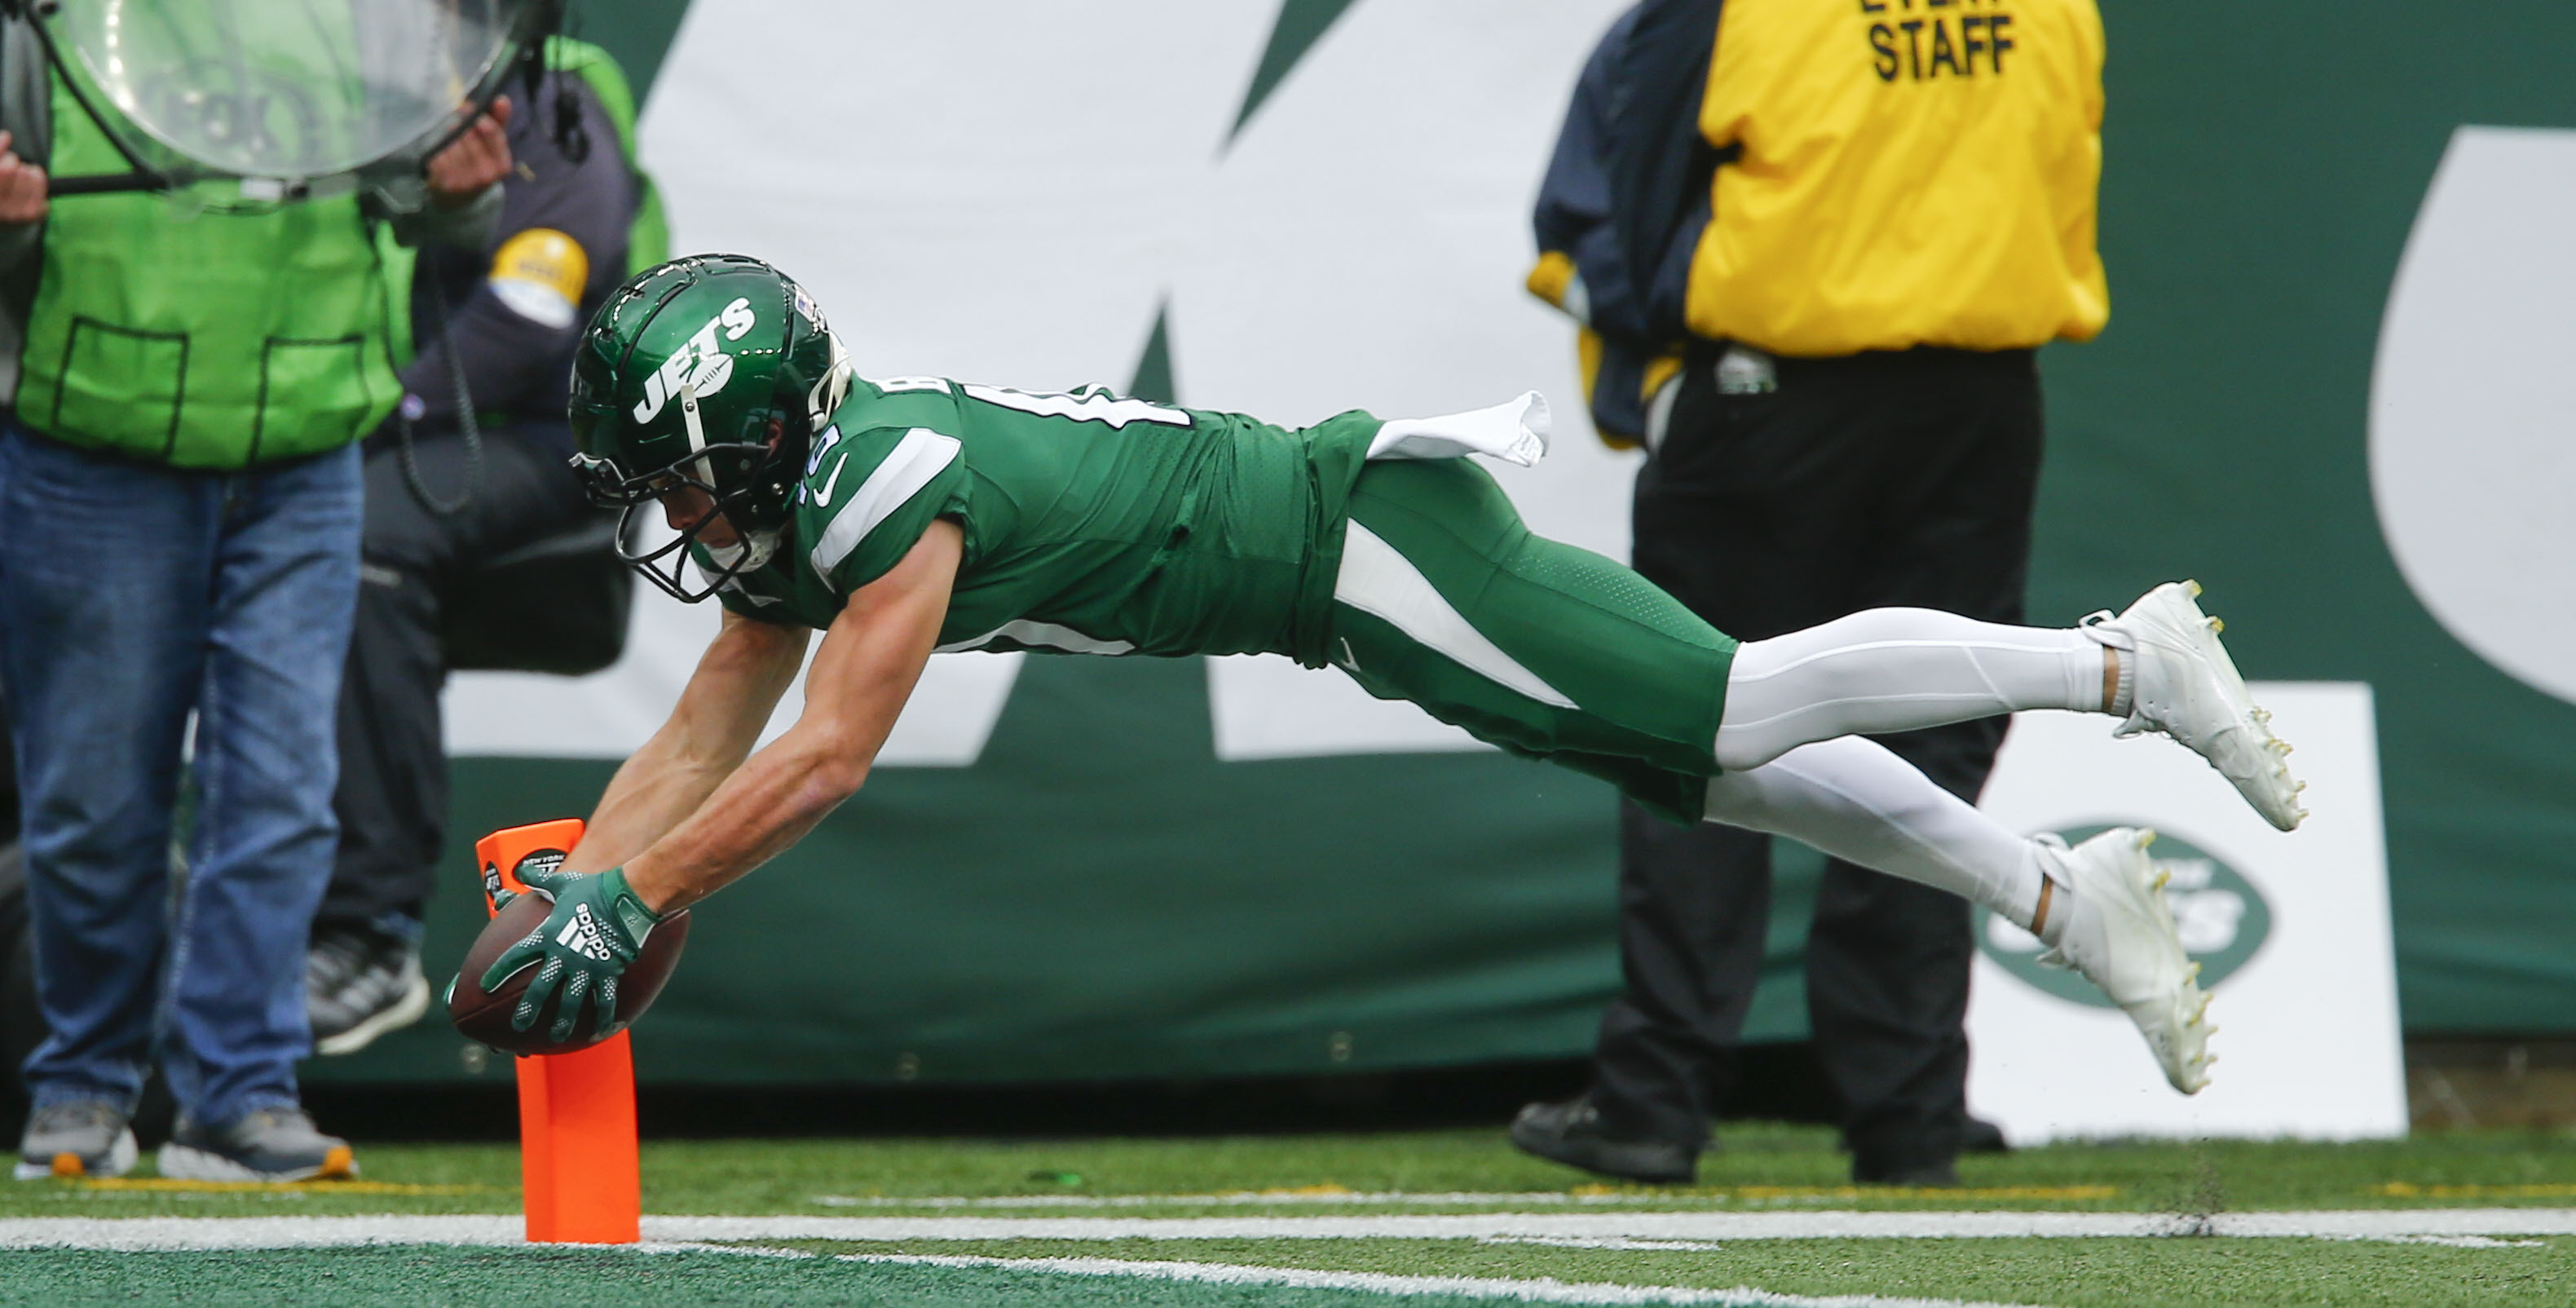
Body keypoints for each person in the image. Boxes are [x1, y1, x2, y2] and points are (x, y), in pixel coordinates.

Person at [470, 257, 2303, 1094]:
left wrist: (631, 900)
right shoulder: (800, 513)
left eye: (691, 469)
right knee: (1718, 774)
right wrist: (584, 880)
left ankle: (2119, 659)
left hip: (1355, 542)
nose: (685, 510)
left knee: (1734, 702)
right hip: (1339, 589)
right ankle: (2074, 901)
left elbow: (818, 764)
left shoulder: (880, 486)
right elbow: (709, 723)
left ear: (771, 430)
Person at [1513, 0, 2117, 1187]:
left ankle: (1654, 1101)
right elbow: (2066, 170)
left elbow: (1613, 208)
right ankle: (1906, 1115)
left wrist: (1659, 374)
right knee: (1932, 740)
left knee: (1691, 727)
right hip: (1977, 395)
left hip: (1769, 391)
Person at [0, 24, 514, 1182]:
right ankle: (84, 1081)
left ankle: (239, 1090)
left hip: (308, 444)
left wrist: (462, 201)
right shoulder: (39, 34)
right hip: (90, 445)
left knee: (284, 789)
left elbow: (430, 212)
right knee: (91, 800)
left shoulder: (380, 22)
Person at [307, 38, 664, 1057]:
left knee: (359, 536)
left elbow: (529, 314)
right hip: (331, 424)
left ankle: (368, 934)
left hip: (540, 433)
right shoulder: (290, 92)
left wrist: (362, 413)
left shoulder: (548, 97)